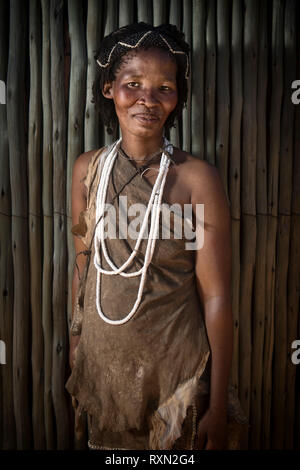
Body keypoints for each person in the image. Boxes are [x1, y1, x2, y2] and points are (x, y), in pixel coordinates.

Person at [65, 22, 247, 451]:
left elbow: (217, 297)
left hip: (176, 382)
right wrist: (77, 354)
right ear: (109, 89)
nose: (148, 98)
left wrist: (216, 405)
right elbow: (83, 269)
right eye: (133, 84)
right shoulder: (87, 171)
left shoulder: (196, 180)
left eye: (165, 87)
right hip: (105, 379)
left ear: (178, 97)